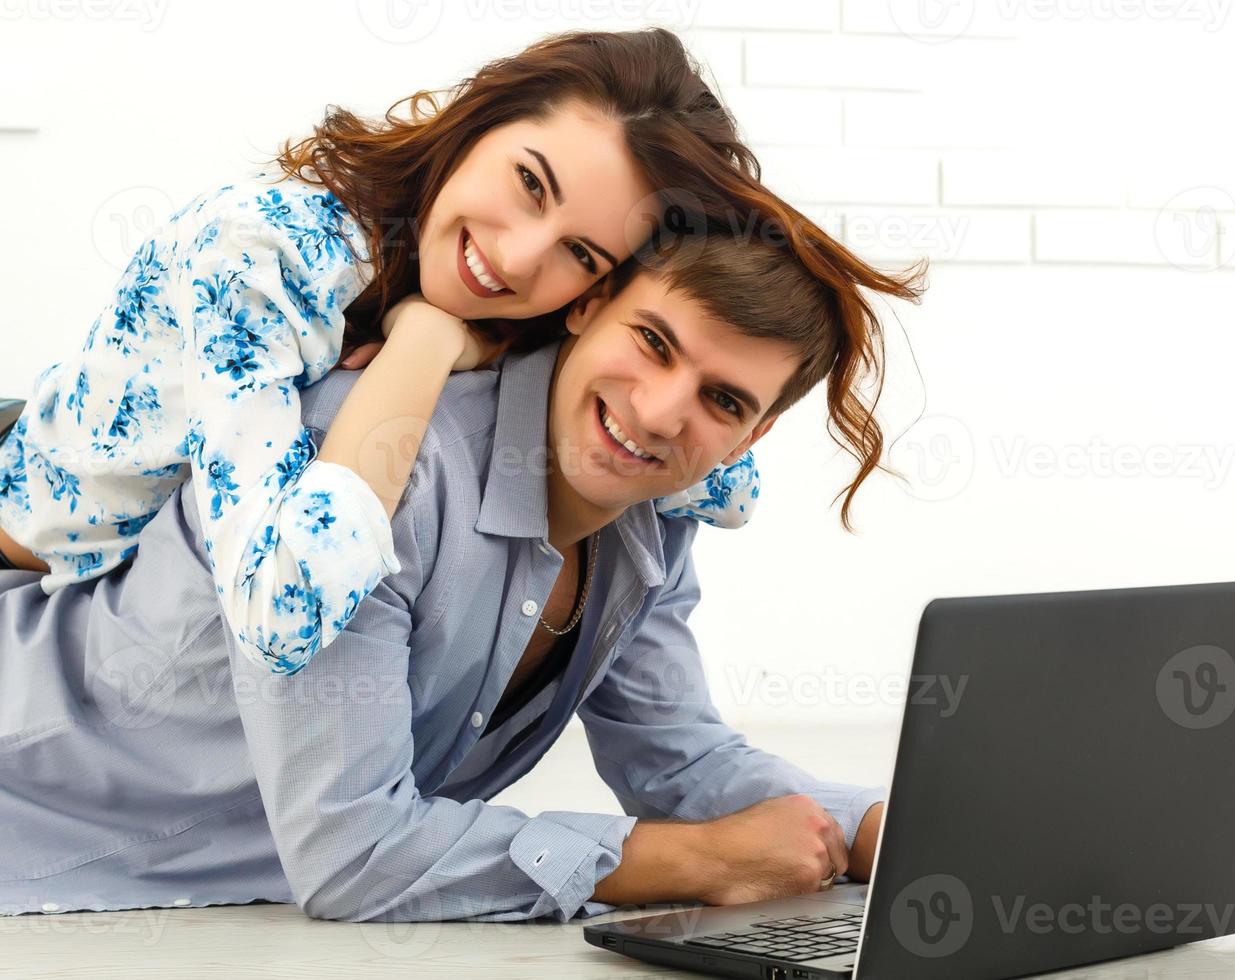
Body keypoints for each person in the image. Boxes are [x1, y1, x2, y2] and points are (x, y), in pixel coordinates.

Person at [0, 197, 925, 920]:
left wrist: (880, 831)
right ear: (590, 306)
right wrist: (679, 863)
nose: (656, 412)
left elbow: (678, 760)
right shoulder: (387, 462)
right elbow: (355, 855)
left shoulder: (655, 523)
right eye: (651, 344)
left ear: (753, 433)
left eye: (721, 401)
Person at [0, 27, 765, 679]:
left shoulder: (542, 318)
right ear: (478, 120)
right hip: (23, 531)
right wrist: (426, 344)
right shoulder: (264, 252)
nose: (521, 259)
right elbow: (279, 614)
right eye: (530, 183)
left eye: (582, 251)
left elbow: (729, 490)